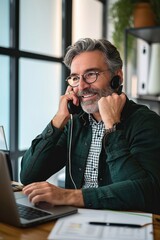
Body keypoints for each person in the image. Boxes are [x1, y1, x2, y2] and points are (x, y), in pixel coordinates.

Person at [20, 38, 160, 214]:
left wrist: (112, 127)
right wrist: (59, 119)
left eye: (91, 74)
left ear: (117, 76)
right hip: (75, 224)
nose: (82, 86)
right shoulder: (75, 122)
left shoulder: (146, 122)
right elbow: (28, 176)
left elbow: (146, 196)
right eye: (75, 78)